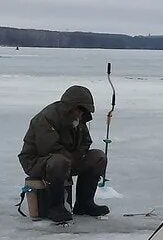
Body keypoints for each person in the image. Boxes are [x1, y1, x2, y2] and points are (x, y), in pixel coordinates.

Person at [18, 86, 109, 223]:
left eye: (83, 110)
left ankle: (84, 204)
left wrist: (79, 156)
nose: (81, 113)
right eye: (79, 109)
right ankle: (55, 207)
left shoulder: (78, 119)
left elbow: (86, 141)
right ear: (70, 107)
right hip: (37, 161)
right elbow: (48, 148)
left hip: (66, 160)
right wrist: (72, 159)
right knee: (59, 161)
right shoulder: (46, 118)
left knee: (98, 158)